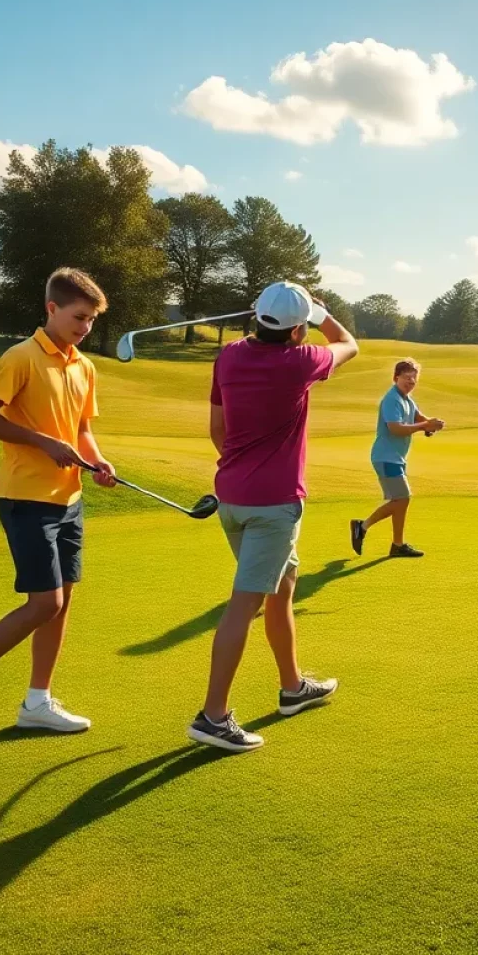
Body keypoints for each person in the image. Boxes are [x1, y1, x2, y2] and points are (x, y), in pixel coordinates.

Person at [0, 268, 116, 744]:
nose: (85, 327)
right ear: (52, 309)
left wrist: (97, 462)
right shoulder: (21, 357)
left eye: (92, 320)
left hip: (69, 499)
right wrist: (41, 443)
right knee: (45, 604)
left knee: (63, 602)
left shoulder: (84, 365)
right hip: (25, 498)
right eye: (79, 316)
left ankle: (37, 701)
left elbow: (81, 430)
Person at [188, 281, 358, 754]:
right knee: (245, 604)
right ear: (298, 329)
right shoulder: (300, 362)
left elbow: (217, 429)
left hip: (233, 498)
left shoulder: (229, 357)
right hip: (274, 506)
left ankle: (292, 687)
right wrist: (323, 313)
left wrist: (243, 471)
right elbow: (349, 345)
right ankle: (213, 716)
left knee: (284, 588)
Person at [350, 358, 444, 559]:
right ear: (396, 377)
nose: (410, 381)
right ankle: (362, 526)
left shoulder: (407, 399)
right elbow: (395, 428)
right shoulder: (392, 399)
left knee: (400, 500)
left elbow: (419, 418)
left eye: (414, 378)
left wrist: (431, 425)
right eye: (406, 377)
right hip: (386, 457)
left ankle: (397, 544)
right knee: (402, 499)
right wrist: (424, 427)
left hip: (396, 458)